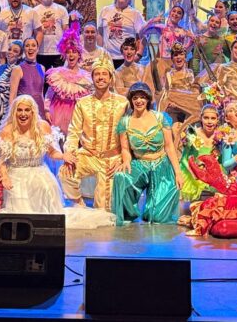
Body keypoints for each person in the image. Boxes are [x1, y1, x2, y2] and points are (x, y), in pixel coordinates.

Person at [0, 94, 117, 228]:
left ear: (33, 112)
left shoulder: (42, 127)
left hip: (38, 172)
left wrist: (63, 156)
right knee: (20, 210)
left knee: (45, 188)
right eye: (19, 110)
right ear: (14, 112)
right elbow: (1, 160)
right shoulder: (7, 131)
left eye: (27, 110)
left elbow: (51, 152)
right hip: (16, 174)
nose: (23, 114)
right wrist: (5, 176)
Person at [59, 59, 129, 210]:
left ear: (110, 78)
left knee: (104, 210)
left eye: (104, 74)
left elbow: (128, 135)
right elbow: (73, 132)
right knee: (65, 171)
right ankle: (80, 205)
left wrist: (123, 158)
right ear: (92, 77)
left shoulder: (122, 103)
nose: (100, 77)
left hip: (112, 159)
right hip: (88, 155)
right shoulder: (82, 103)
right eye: (97, 74)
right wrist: (69, 152)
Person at [112, 83, 183, 225]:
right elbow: (125, 149)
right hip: (140, 164)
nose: (139, 101)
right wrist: (126, 161)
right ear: (131, 100)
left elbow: (169, 146)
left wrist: (178, 172)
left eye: (142, 97)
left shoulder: (160, 118)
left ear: (148, 99)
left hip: (161, 165)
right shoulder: (125, 122)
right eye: (135, 98)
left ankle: (153, 209)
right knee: (121, 177)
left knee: (157, 217)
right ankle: (128, 214)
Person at [44, 26, 93, 134]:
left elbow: (89, 99)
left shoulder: (85, 77)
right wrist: (46, 110)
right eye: (68, 52)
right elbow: (49, 95)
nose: (71, 55)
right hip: (57, 112)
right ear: (65, 54)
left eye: (74, 52)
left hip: (76, 114)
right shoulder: (57, 74)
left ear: (79, 55)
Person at [178, 103, 222, 205]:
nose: (209, 121)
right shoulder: (193, 134)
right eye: (206, 118)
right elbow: (183, 159)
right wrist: (194, 173)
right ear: (201, 118)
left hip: (213, 175)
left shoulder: (221, 136)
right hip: (193, 175)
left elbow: (222, 160)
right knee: (195, 208)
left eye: (213, 118)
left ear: (217, 120)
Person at [99, 0, 145, 67]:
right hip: (107, 58)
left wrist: (139, 54)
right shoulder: (105, 10)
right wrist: (99, 53)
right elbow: (99, 33)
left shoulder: (135, 14)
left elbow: (143, 35)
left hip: (127, 58)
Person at [31, 0, 70, 69]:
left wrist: (66, 49)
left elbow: (66, 31)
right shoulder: (34, 11)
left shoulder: (62, 9)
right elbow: (32, 32)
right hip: (40, 53)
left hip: (58, 53)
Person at [161, 42, 202, 122]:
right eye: (176, 55)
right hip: (173, 109)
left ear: (185, 57)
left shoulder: (190, 73)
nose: (178, 57)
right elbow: (166, 94)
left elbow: (193, 93)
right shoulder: (169, 74)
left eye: (181, 54)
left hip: (188, 108)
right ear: (172, 58)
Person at [10, 37, 48, 120]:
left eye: (33, 45)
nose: (30, 48)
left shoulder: (42, 68)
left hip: (39, 110)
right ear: (24, 50)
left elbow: (41, 93)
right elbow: (12, 95)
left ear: (37, 49)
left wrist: (45, 111)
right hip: (25, 111)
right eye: (27, 46)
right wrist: (12, 116)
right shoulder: (17, 69)